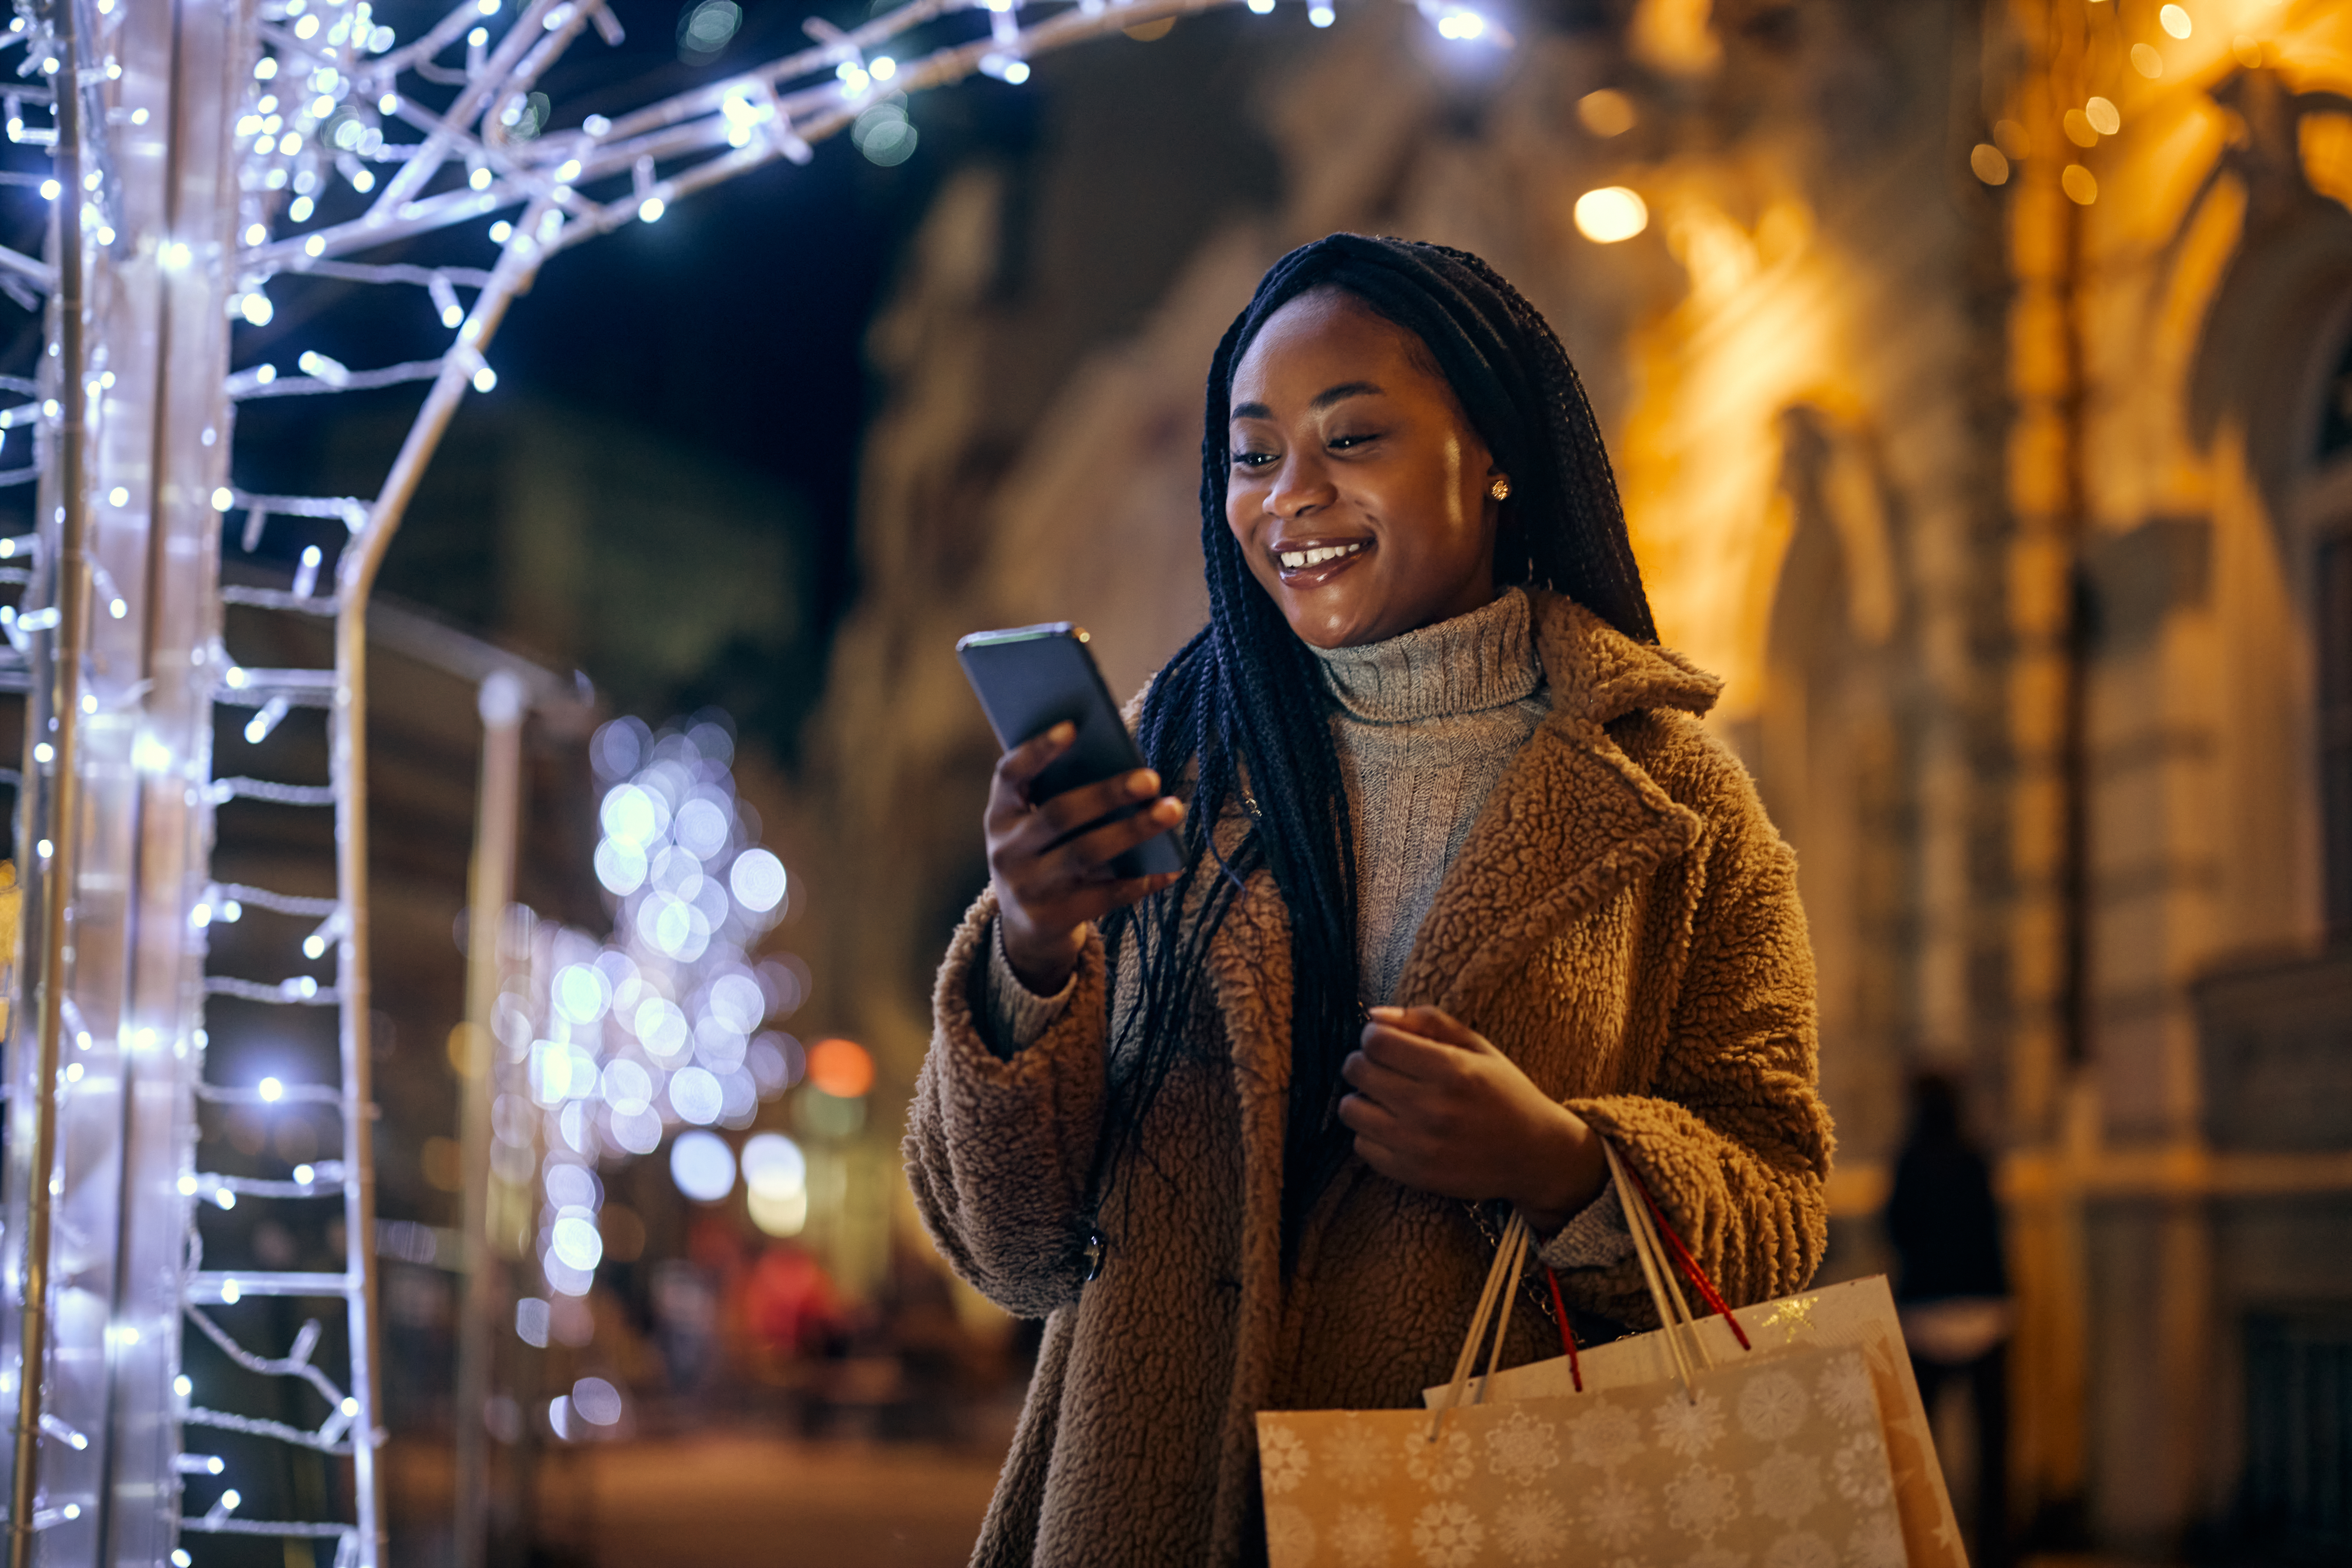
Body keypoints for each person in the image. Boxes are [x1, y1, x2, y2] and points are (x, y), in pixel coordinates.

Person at [906, 234, 1833, 1567]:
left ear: (1497, 453)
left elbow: (1780, 1206)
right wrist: (1031, 956)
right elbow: (1009, 1252)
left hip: (1496, 1522)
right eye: (1253, 452)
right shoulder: (1166, 763)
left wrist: (1566, 1167)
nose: (1291, 496)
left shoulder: (1675, 805)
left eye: (1353, 439)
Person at [1885, 1071, 2011, 1567]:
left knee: (1921, 1450)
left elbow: (1896, 1228)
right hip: (1986, 1312)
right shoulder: (1978, 1156)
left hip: (1925, 1315)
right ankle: (2000, 1553)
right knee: (1994, 1452)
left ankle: (1924, 1549)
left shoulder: (1910, 1162)